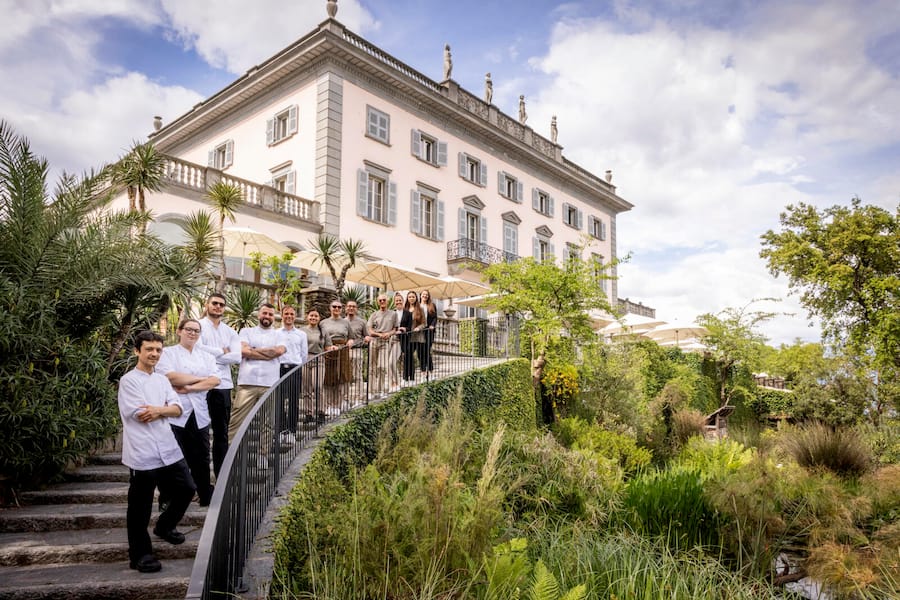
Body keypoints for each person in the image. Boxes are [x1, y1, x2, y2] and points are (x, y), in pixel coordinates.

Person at [119, 331, 196, 573]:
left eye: (158, 350)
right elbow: (141, 414)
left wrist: (160, 410)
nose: (154, 354)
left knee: (187, 489)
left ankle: (164, 526)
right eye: (149, 349)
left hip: (168, 447)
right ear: (137, 351)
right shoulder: (129, 381)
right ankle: (140, 555)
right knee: (140, 506)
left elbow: (179, 409)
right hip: (142, 452)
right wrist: (165, 409)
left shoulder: (162, 380)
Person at [156, 319, 220, 507]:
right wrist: (201, 380)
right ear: (179, 331)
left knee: (201, 457)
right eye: (189, 330)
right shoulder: (168, 353)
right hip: (176, 411)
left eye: (196, 331)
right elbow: (170, 376)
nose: (192, 333)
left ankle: (204, 495)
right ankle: (167, 499)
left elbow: (215, 380)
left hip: (199, 412)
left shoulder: (206, 356)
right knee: (173, 457)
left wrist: (190, 388)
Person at [196, 293, 241, 478]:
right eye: (215, 303)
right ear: (207, 304)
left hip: (223, 385)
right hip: (201, 384)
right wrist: (222, 352)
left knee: (222, 433)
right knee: (201, 433)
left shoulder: (230, 332)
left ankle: (222, 477)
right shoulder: (197, 327)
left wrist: (211, 354)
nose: (218, 307)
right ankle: (202, 481)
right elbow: (196, 350)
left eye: (221, 304)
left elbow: (237, 357)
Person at [231, 303, 286, 442]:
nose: (267, 316)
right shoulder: (246, 331)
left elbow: (279, 351)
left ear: (274, 317)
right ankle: (232, 455)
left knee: (268, 422)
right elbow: (242, 351)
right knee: (237, 421)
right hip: (247, 382)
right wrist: (269, 353)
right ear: (258, 314)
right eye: (264, 313)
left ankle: (263, 455)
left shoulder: (279, 334)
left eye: (270, 314)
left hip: (270, 383)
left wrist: (253, 350)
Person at [278, 305, 308, 444]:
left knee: (294, 402)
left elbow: (304, 355)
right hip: (279, 369)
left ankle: (292, 431)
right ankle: (281, 430)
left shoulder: (301, 334)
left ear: (295, 316)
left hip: (295, 369)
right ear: (282, 315)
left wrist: (297, 366)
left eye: (291, 314)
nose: (289, 316)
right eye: (286, 313)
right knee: (279, 401)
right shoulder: (276, 333)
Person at [320, 300, 354, 415]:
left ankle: (338, 404)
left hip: (342, 350)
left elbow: (351, 337)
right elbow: (320, 339)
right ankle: (329, 405)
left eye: (339, 307)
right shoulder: (323, 323)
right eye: (334, 306)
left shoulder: (345, 323)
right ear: (330, 308)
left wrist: (350, 342)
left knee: (341, 377)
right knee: (329, 378)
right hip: (329, 350)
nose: (337, 309)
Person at [298, 308, 330, 423]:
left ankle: (321, 411)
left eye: (316, 316)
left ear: (319, 318)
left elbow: (327, 346)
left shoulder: (323, 331)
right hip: (305, 359)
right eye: (311, 316)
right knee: (306, 388)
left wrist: (333, 348)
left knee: (318, 386)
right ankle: (308, 414)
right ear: (307, 317)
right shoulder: (302, 331)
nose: (313, 318)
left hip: (319, 359)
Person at [365, 293, 398, 395]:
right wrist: (378, 334)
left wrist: (388, 333)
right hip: (374, 341)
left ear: (387, 301)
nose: (382, 302)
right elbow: (369, 330)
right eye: (380, 300)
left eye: (384, 300)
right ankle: (371, 391)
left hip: (385, 343)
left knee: (382, 367)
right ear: (377, 302)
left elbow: (395, 329)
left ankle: (380, 390)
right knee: (372, 367)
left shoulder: (393, 314)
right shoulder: (374, 314)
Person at [400, 291, 427, 382]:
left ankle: (411, 377)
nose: (411, 298)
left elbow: (424, 323)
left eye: (413, 297)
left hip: (416, 336)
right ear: (407, 298)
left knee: (416, 356)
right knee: (407, 356)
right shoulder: (404, 309)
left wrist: (418, 328)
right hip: (407, 337)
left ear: (416, 298)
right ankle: (405, 377)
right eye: (410, 297)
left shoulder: (420, 309)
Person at [344, 299, 367, 403]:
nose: (351, 308)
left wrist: (366, 340)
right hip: (344, 351)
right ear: (346, 308)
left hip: (357, 350)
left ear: (356, 309)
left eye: (353, 306)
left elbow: (366, 336)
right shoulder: (342, 322)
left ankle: (360, 396)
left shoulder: (362, 322)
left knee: (357, 374)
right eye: (349, 306)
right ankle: (345, 397)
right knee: (345, 375)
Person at [420, 289, 438, 373]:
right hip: (420, 331)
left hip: (429, 331)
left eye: (426, 295)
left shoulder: (432, 305)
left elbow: (435, 317)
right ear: (421, 295)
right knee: (421, 352)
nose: (425, 296)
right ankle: (423, 371)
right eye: (423, 294)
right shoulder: (418, 306)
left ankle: (430, 370)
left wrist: (432, 325)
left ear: (428, 296)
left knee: (427, 351)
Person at [390, 292, 406, 389]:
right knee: (388, 363)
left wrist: (404, 329)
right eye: (396, 300)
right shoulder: (391, 313)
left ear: (403, 301)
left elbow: (409, 327)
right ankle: (393, 383)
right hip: (390, 338)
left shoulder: (407, 313)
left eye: (400, 300)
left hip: (399, 340)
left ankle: (397, 382)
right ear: (394, 302)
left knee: (392, 362)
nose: (398, 302)